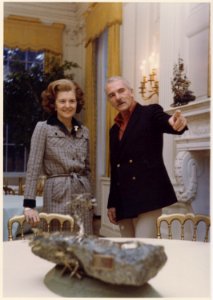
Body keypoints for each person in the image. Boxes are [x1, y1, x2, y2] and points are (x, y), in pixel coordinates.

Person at [105, 76, 188, 238]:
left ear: (131, 92)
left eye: (121, 91)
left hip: (148, 195)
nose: (118, 97)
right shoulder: (113, 130)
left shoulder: (150, 113)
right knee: (127, 250)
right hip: (123, 198)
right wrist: (112, 203)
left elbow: (167, 121)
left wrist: (176, 123)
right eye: (112, 95)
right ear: (110, 101)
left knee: (143, 248)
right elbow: (115, 169)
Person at [23, 79, 93, 234]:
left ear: (77, 103)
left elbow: (87, 169)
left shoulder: (83, 130)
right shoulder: (43, 128)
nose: (67, 105)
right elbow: (33, 167)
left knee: (83, 241)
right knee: (58, 242)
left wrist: (90, 197)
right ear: (54, 104)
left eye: (72, 101)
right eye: (62, 101)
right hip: (57, 194)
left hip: (82, 194)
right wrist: (29, 205)